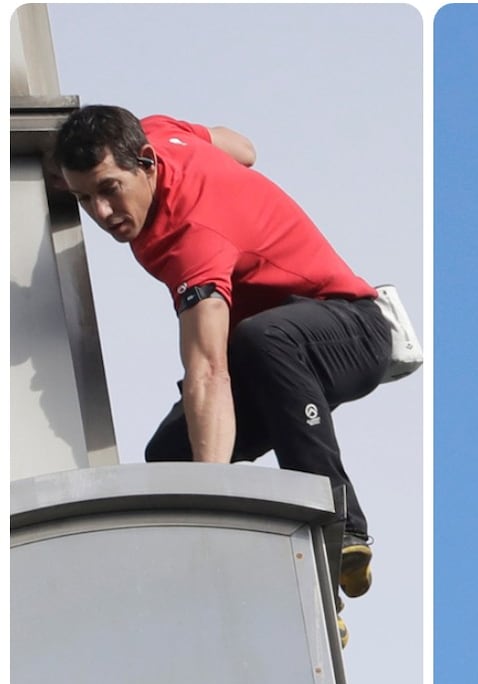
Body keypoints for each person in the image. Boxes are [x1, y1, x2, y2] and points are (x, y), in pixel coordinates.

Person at [53, 105, 392, 641]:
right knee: (171, 459)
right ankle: (298, 599)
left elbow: (209, 370)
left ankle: (343, 525)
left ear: (145, 163)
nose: (102, 212)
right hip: (270, 358)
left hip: (351, 327)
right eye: (84, 198)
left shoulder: (194, 239)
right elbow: (244, 148)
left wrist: (210, 504)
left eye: (110, 190)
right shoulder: (160, 132)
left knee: (258, 343)